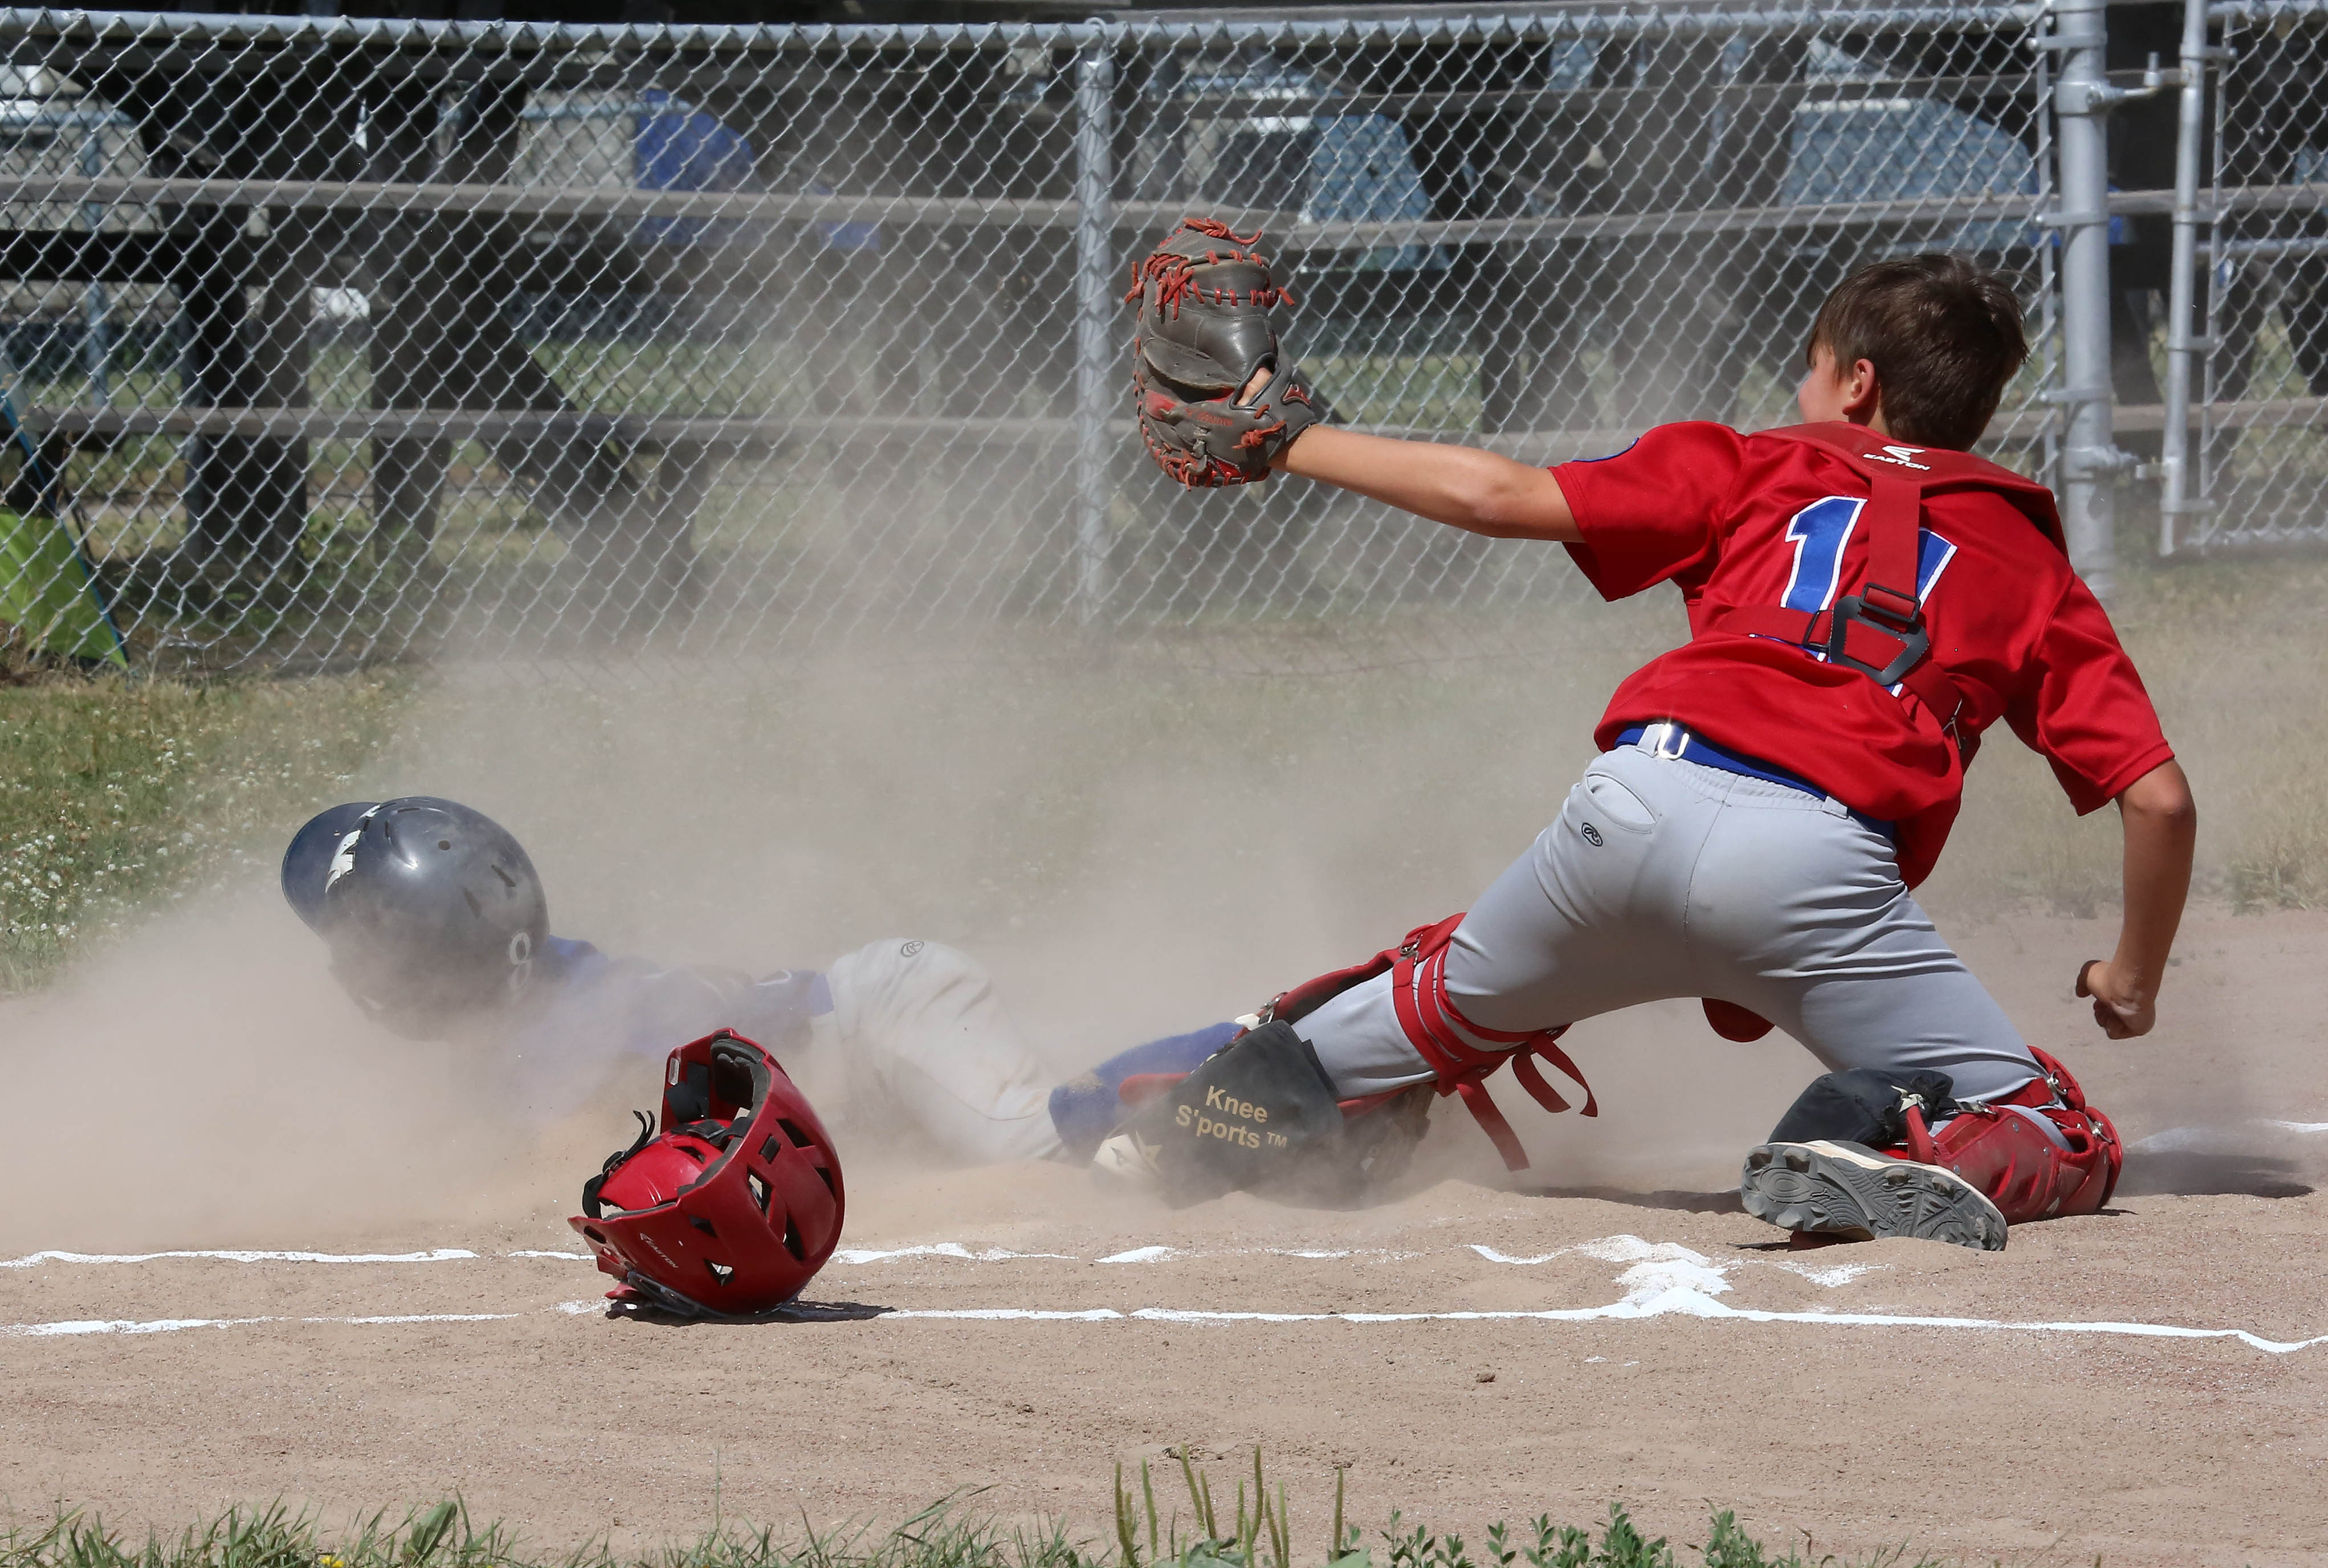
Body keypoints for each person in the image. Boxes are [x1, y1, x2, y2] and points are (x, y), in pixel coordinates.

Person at [1118, 235, 2195, 1248]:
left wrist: (1290, 436)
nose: (1803, 395)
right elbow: (2157, 803)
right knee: (2055, 1126)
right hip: (1814, 878)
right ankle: (1861, 1131)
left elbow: (1497, 495)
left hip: (1624, 817)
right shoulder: (2024, 554)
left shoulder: (1749, 462)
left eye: (1811, 373)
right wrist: (2129, 979)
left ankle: (1179, 1130)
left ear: (1856, 384)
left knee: (1422, 1012)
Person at [281, 795, 1247, 1169]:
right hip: (885, 1035)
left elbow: (567, 1166)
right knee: (1064, 1101)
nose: (360, 971)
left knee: (1024, 1142)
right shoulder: (537, 998)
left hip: (884, 1019)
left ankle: (1264, 1043)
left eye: (370, 947)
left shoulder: (558, 1033)